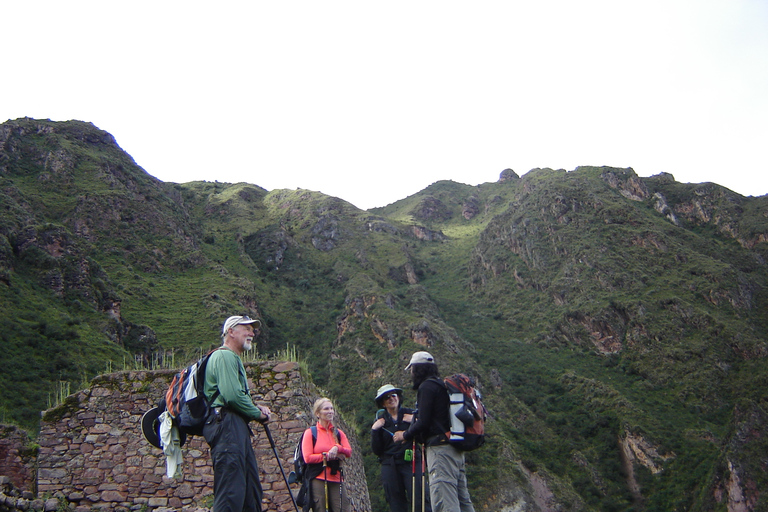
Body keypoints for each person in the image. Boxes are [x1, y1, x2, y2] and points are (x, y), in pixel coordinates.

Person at [203, 315, 272, 512]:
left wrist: (254, 408)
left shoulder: (232, 358)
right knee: (230, 493)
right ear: (230, 332)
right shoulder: (224, 356)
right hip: (227, 426)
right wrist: (257, 414)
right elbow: (232, 396)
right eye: (246, 329)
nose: (252, 333)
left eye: (253, 329)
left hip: (235, 426)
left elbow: (233, 395)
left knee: (250, 492)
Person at [393, 352, 475, 512]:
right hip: (455, 449)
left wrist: (405, 434)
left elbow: (423, 421)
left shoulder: (427, 387)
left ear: (417, 369)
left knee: (444, 500)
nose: (411, 373)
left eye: (412, 369)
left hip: (440, 450)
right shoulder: (441, 386)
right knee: (463, 499)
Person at [371, 384, 431, 512]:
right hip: (390, 464)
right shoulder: (380, 422)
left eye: (393, 395)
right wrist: (374, 430)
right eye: (387, 397)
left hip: (412, 461)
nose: (391, 398)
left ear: (398, 397)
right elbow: (377, 450)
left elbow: (423, 438)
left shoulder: (411, 414)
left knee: (419, 496)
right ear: (382, 403)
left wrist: (415, 422)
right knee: (395, 500)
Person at [301, 398, 352, 512]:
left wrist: (337, 447)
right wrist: (327, 456)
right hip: (318, 477)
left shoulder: (339, 433)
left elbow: (348, 451)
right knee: (320, 509)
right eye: (326, 409)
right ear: (318, 413)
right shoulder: (310, 433)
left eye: (331, 408)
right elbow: (307, 458)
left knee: (343, 508)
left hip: (336, 477)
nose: (330, 411)